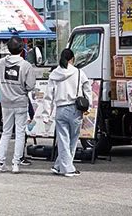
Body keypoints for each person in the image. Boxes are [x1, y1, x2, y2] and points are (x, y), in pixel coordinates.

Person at [0, 36, 36, 174]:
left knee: (6, 132)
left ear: (8, 49)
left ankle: (0, 163)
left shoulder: (0, 63)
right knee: (20, 133)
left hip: (5, 103)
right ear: (22, 49)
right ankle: (16, 164)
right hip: (21, 102)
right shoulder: (26, 65)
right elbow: (30, 85)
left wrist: (4, 87)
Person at [45, 48, 91, 177]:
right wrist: (89, 106)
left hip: (60, 109)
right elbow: (87, 90)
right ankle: (68, 169)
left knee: (63, 139)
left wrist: (46, 113)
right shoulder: (79, 73)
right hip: (75, 109)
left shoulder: (54, 74)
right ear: (72, 59)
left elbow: (48, 95)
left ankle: (59, 166)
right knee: (72, 139)